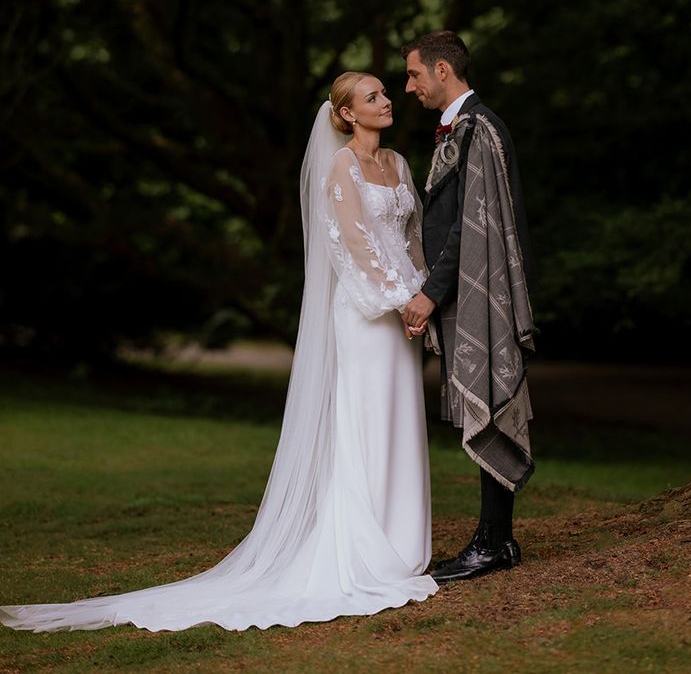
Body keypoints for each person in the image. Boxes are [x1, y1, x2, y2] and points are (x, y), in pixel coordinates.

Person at [0, 72, 438, 632]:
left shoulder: (398, 164)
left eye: (385, 92)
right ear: (348, 114)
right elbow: (352, 241)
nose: (387, 101)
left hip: (406, 310)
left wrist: (422, 294)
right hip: (368, 312)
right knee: (369, 421)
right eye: (373, 96)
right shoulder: (342, 168)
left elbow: (410, 236)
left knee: (402, 419)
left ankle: (403, 542)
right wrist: (394, 300)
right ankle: (365, 547)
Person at [401, 31, 537, 583]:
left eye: (413, 75)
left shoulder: (478, 128)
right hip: (462, 287)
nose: (408, 87)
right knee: (482, 395)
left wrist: (432, 292)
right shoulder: (459, 129)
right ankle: (494, 538)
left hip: (478, 288)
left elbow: (471, 226)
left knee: (489, 395)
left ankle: (495, 542)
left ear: (440, 70)